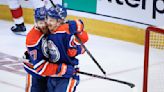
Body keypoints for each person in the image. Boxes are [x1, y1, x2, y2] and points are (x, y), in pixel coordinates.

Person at [45, 4, 88, 92]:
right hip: (52, 74)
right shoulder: (48, 31)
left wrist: (79, 28)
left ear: (59, 21)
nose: (48, 22)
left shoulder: (64, 33)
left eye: (51, 20)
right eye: (47, 18)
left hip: (67, 76)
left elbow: (74, 48)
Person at [24, 6, 48, 92]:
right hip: (34, 71)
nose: (44, 25)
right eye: (41, 23)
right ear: (36, 22)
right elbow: (38, 65)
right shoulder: (32, 38)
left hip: (47, 70)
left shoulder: (51, 29)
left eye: (45, 22)